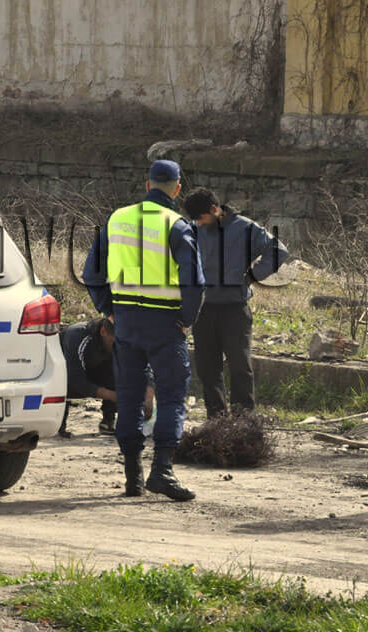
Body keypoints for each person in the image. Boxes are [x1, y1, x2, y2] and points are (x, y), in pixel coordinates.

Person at [82, 159, 204, 500]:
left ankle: (132, 477)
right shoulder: (177, 225)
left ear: (147, 185)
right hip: (165, 323)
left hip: (126, 322)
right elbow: (194, 283)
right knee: (171, 396)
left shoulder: (117, 219)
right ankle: (161, 471)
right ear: (177, 189)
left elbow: (91, 273)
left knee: (130, 397)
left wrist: (110, 310)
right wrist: (187, 319)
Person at [183, 188, 288, 416]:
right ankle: (217, 419)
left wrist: (253, 276)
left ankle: (243, 420)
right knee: (207, 369)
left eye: (201, 218)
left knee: (240, 367)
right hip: (202, 310)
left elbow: (278, 251)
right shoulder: (193, 229)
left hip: (234, 310)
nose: (198, 223)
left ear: (214, 210)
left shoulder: (245, 228)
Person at [58, 316, 154, 437]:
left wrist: (148, 398)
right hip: (68, 376)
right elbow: (75, 379)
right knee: (63, 381)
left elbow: (143, 366)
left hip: (98, 371)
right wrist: (114, 396)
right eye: (115, 342)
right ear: (103, 331)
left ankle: (108, 419)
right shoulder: (77, 336)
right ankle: (59, 422)